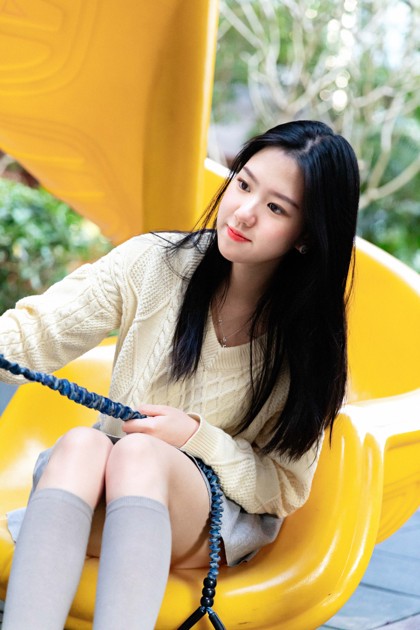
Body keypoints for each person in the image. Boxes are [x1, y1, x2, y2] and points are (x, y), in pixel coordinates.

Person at [0, 119, 360, 629]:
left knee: (140, 453)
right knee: (82, 444)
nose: (244, 212)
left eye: (276, 208)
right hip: (101, 490)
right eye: (243, 184)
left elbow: (283, 488)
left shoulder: (308, 344)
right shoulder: (154, 263)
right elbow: (38, 332)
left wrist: (196, 437)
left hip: (205, 520)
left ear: (306, 236)